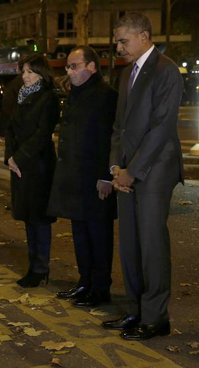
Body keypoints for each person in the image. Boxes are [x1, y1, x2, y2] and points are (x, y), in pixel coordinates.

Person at [103, 12, 184, 340]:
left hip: (154, 171)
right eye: (117, 40)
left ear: (144, 37)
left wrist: (133, 172)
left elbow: (161, 128)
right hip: (126, 173)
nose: (118, 46)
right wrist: (115, 169)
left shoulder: (167, 71)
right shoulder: (127, 74)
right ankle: (136, 309)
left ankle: (156, 318)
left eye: (123, 40)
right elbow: (119, 128)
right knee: (131, 246)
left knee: (151, 245)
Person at [47, 46, 118, 307]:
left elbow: (108, 139)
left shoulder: (105, 95)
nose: (69, 71)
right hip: (76, 178)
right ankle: (85, 282)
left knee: (99, 236)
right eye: (68, 67)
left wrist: (106, 176)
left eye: (74, 66)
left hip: (95, 178)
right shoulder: (76, 94)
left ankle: (100, 289)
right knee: (80, 233)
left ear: (92, 67)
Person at [4, 53, 60, 287]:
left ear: (41, 73)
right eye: (23, 71)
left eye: (30, 71)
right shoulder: (20, 96)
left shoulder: (48, 98)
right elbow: (10, 128)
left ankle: (40, 268)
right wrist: (9, 157)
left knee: (39, 218)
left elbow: (42, 135)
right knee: (28, 217)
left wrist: (19, 157)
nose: (24, 76)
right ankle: (33, 266)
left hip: (38, 165)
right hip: (20, 165)